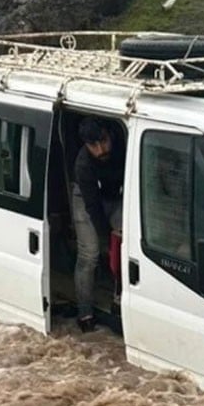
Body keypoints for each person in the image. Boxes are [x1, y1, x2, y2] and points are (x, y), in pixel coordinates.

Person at [71, 117, 125, 333]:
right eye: (94, 145)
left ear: (109, 134)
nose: (101, 149)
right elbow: (93, 207)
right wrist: (105, 237)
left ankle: (119, 299)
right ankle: (85, 313)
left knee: (127, 245)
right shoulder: (83, 165)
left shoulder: (122, 141)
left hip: (117, 193)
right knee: (89, 255)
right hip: (86, 198)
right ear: (86, 145)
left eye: (103, 141)